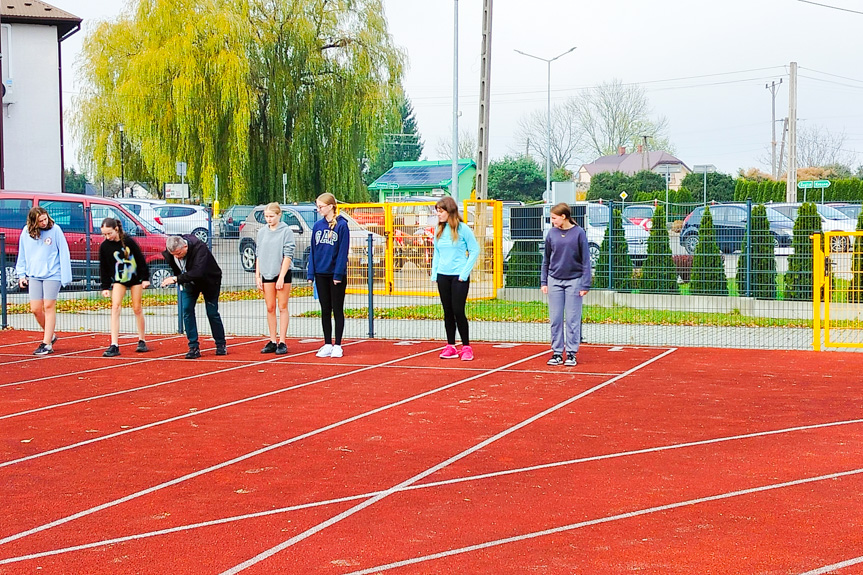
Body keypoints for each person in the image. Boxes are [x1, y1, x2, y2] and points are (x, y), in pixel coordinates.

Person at [15, 206, 72, 356]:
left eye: (45, 219)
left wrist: (66, 276)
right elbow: (22, 254)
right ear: (34, 222)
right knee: (35, 308)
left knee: (48, 305)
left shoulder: (56, 230)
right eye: (40, 221)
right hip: (34, 275)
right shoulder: (25, 233)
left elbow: (64, 252)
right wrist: (21, 274)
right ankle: (51, 335)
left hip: (53, 274)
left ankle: (47, 344)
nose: (44, 222)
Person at [160, 234, 227, 359]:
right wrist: (180, 278)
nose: (177, 257)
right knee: (186, 309)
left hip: (209, 281)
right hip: (188, 282)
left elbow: (198, 272)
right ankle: (193, 346)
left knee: (212, 312)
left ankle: (220, 343)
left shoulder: (200, 248)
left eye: (179, 253)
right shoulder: (170, 253)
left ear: (185, 246)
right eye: (174, 254)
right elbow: (177, 269)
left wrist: (175, 279)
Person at [540, 202, 591, 367]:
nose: (552, 221)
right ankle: (556, 352)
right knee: (555, 318)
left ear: (563, 216)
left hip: (574, 281)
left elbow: (585, 260)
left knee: (572, 319)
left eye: (554, 218)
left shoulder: (579, 233)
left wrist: (585, 284)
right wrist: (544, 281)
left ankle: (571, 353)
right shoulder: (552, 234)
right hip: (554, 280)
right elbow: (546, 259)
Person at [430, 196, 479, 361]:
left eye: (441, 211)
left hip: (459, 276)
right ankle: (450, 345)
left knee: (458, 311)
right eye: (437, 211)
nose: (438, 214)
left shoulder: (463, 229)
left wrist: (464, 274)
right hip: (443, 276)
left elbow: (474, 250)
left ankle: (466, 347)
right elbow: (437, 252)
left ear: (450, 211)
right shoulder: (439, 230)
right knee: (447, 311)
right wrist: (434, 273)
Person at [99, 217, 151, 357]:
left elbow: (140, 259)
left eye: (109, 233)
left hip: (135, 279)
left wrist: (145, 278)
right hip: (119, 279)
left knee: (137, 307)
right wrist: (105, 286)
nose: (107, 237)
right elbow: (103, 267)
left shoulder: (128, 242)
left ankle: (142, 340)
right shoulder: (104, 247)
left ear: (116, 229)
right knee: (115, 307)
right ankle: (114, 344)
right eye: (104, 234)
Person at [307, 192, 350, 358]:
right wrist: (311, 273)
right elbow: (313, 250)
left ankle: (338, 344)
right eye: (317, 207)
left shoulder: (341, 226)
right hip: (320, 273)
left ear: (331, 206)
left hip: (335, 274)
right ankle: (327, 343)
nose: (319, 210)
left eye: (321, 206)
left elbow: (342, 251)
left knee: (337, 308)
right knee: (325, 309)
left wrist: (338, 274)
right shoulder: (317, 226)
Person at [255, 202, 295, 355]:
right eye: (266, 217)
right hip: (267, 272)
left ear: (279, 215)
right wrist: (257, 275)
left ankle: (282, 341)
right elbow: (259, 254)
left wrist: (282, 276)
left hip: (282, 273)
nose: (269, 219)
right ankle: (272, 340)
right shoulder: (262, 232)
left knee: (282, 306)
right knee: (270, 307)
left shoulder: (286, 232)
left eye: (271, 216)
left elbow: (288, 255)